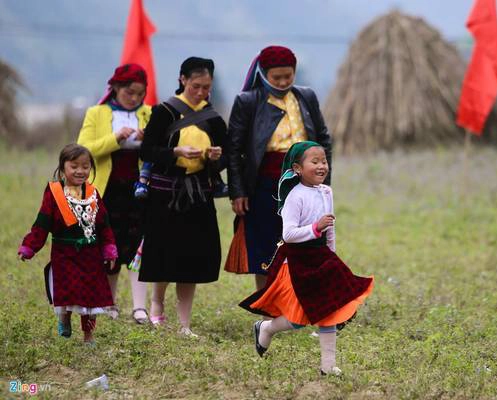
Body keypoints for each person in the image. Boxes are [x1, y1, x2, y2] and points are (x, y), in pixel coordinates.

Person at [239, 141, 374, 375]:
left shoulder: (326, 192)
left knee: (331, 308)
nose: (322, 166)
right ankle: (267, 328)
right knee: (299, 319)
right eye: (315, 162)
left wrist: (331, 254)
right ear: (298, 168)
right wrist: (315, 227)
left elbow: (329, 227)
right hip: (299, 259)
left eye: (324, 161)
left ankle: (328, 366)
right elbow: (288, 234)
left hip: (323, 257)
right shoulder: (295, 196)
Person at [225, 45, 332, 292]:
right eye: (277, 77)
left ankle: (298, 302)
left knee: (305, 242)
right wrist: (238, 191)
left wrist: (323, 179)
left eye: (288, 76)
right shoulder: (248, 102)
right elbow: (234, 149)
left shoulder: (306, 97)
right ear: (263, 74)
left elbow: (323, 139)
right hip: (264, 186)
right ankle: (268, 305)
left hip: (305, 183)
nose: (283, 82)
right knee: (267, 247)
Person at [139, 57, 227, 337]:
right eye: (196, 86)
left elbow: (225, 156)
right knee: (165, 254)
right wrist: (175, 153)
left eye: (206, 87)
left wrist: (216, 157)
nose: (201, 92)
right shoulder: (164, 112)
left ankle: (184, 324)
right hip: (165, 195)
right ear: (182, 80)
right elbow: (147, 151)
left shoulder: (213, 118)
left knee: (192, 259)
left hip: (199, 196)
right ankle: (156, 307)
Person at [18, 144, 117, 344]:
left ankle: (89, 336)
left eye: (85, 166)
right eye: (74, 166)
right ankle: (64, 317)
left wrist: (109, 249)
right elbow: (42, 223)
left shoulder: (93, 193)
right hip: (64, 254)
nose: (80, 171)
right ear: (63, 167)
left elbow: (104, 225)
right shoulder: (54, 193)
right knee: (68, 292)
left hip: (90, 254)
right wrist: (30, 246)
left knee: (91, 297)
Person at [77, 63, 152, 323]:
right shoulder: (97, 114)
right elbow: (83, 149)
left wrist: (147, 142)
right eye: (129, 92)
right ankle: (107, 302)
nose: (134, 98)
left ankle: (140, 307)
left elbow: (159, 151)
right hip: (106, 191)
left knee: (137, 247)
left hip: (139, 190)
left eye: (140, 94)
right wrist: (115, 138)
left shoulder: (149, 113)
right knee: (108, 247)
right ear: (116, 89)